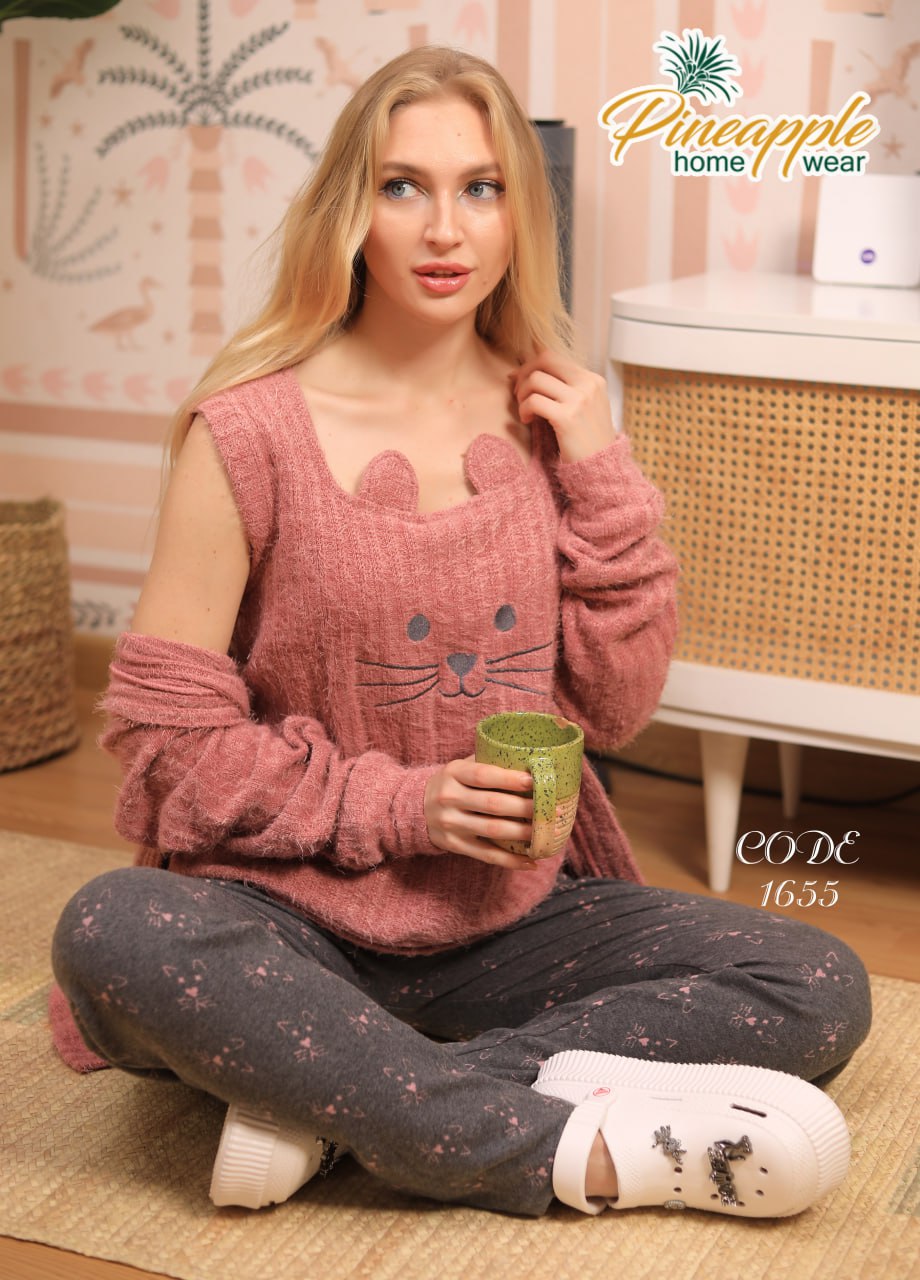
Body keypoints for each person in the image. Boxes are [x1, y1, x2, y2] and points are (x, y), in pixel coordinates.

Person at [52, 45, 870, 1220]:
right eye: (402, 186)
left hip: (511, 916)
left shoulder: (549, 417)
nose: (445, 227)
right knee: (113, 934)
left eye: (480, 187)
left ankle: (336, 1101)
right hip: (284, 913)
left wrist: (600, 466)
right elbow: (169, 743)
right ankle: (558, 1149)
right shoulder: (245, 430)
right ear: (351, 210)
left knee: (812, 977)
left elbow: (618, 706)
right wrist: (404, 804)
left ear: (516, 214)